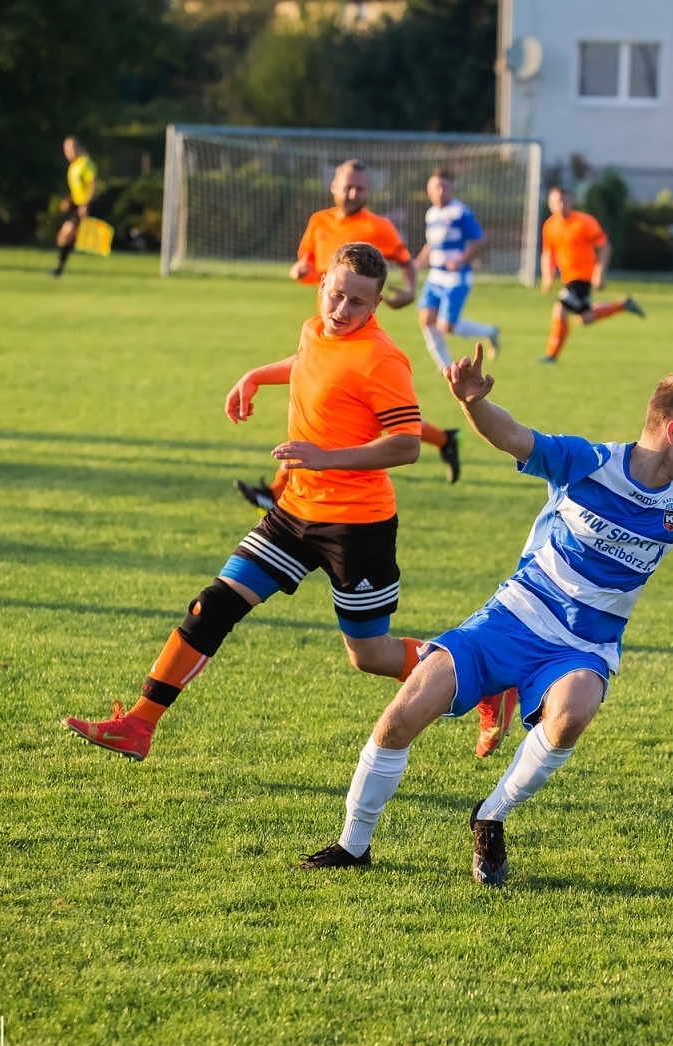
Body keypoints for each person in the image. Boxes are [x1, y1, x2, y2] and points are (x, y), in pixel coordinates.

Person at [298, 356, 673, 884]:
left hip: (583, 648)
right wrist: (472, 402)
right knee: (401, 716)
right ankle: (353, 845)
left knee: (574, 711)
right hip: (510, 620)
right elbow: (513, 437)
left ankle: (490, 815)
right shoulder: (586, 462)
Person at [65, 244, 430, 761]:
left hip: (356, 526)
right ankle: (139, 725)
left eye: (357, 304)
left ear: (375, 309)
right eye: (337, 295)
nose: (341, 311)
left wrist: (326, 458)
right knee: (213, 604)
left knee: (369, 655)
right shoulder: (314, 328)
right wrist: (257, 374)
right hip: (293, 513)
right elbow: (310, 360)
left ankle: (483, 679)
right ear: (323, 283)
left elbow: (407, 444)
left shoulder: (382, 358)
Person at [235, 159, 460, 510]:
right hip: (324, 331)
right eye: (348, 186)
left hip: (357, 335)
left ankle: (278, 492)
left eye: (361, 188)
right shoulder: (318, 222)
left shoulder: (378, 227)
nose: (354, 193)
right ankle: (444, 439)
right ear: (334, 186)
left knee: (351, 409)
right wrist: (301, 270)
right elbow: (307, 260)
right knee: (333, 406)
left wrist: (410, 292)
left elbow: (404, 261)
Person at [539, 186, 644, 363]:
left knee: (560, 310)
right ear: (550, 204)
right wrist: (547, 276)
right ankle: (623, 305)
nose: (561, 204)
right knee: (585, 318)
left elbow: (604, 245)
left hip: (582, 277)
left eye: (565, 200)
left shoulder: (584, 222)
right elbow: (548, 252)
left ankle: (551, 355)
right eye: (557, 201)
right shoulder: (550, 226)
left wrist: (599, 272)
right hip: (568, 278)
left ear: (571, 201)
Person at [416, 170, 501, 371]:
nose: (440, 191)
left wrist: (461, 260)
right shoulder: (431, 213)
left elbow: (480, 239)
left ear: (451, 188)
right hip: (435, 276)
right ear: (429, 190)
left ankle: (490, 331)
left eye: (444, 187)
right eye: (435, 187)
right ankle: (444, 366)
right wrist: (417, 263)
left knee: (447, 327)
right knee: (426, 320)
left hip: (455, 278)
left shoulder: (460, 212)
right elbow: (431, 244)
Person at [51, 137, 96, 278]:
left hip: (84, 205)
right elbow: (78, 188)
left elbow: (92, 185)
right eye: (66, 148)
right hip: (76, 205)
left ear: (78, 147)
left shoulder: (85, 163)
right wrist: (68, 199)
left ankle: (59, 269)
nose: (68, 151)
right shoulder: (73, 166)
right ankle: (59, 268)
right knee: (63, 237)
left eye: (71, 147)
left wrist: (86, 204)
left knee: (67, 234)